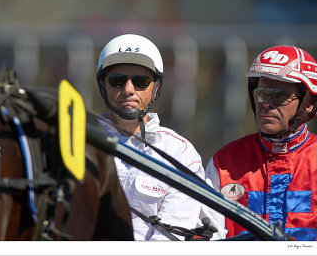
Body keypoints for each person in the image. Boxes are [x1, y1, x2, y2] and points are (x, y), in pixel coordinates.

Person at [96, 34, 226, 240]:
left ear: (156, 87)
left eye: (140, 81)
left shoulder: (179, 153)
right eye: (117, 81)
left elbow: (167, 240)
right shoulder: (77, 143)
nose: (128, 90)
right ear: (103, 85)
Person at [205, 45, 317, 241]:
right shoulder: (224, 162)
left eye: (280, 95)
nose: (266, 102)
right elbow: (206, 238)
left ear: (309, 104)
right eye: (261, 93)